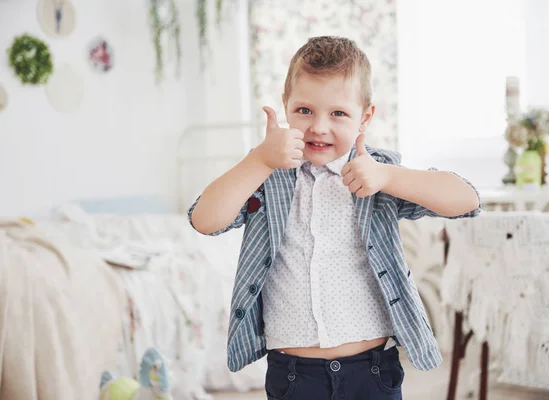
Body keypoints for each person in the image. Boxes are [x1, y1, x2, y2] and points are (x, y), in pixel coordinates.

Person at [188, 36, 481, 400]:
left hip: (372, 369)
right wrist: (259, 161)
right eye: (305, 110)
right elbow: (204, 219)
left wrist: (388, 177)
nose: (319, 127)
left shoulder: (376, 171)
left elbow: (466, 199)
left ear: (365, 117)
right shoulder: (265, 172)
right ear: (285, 106)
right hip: (293, 375)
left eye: (338, 113)